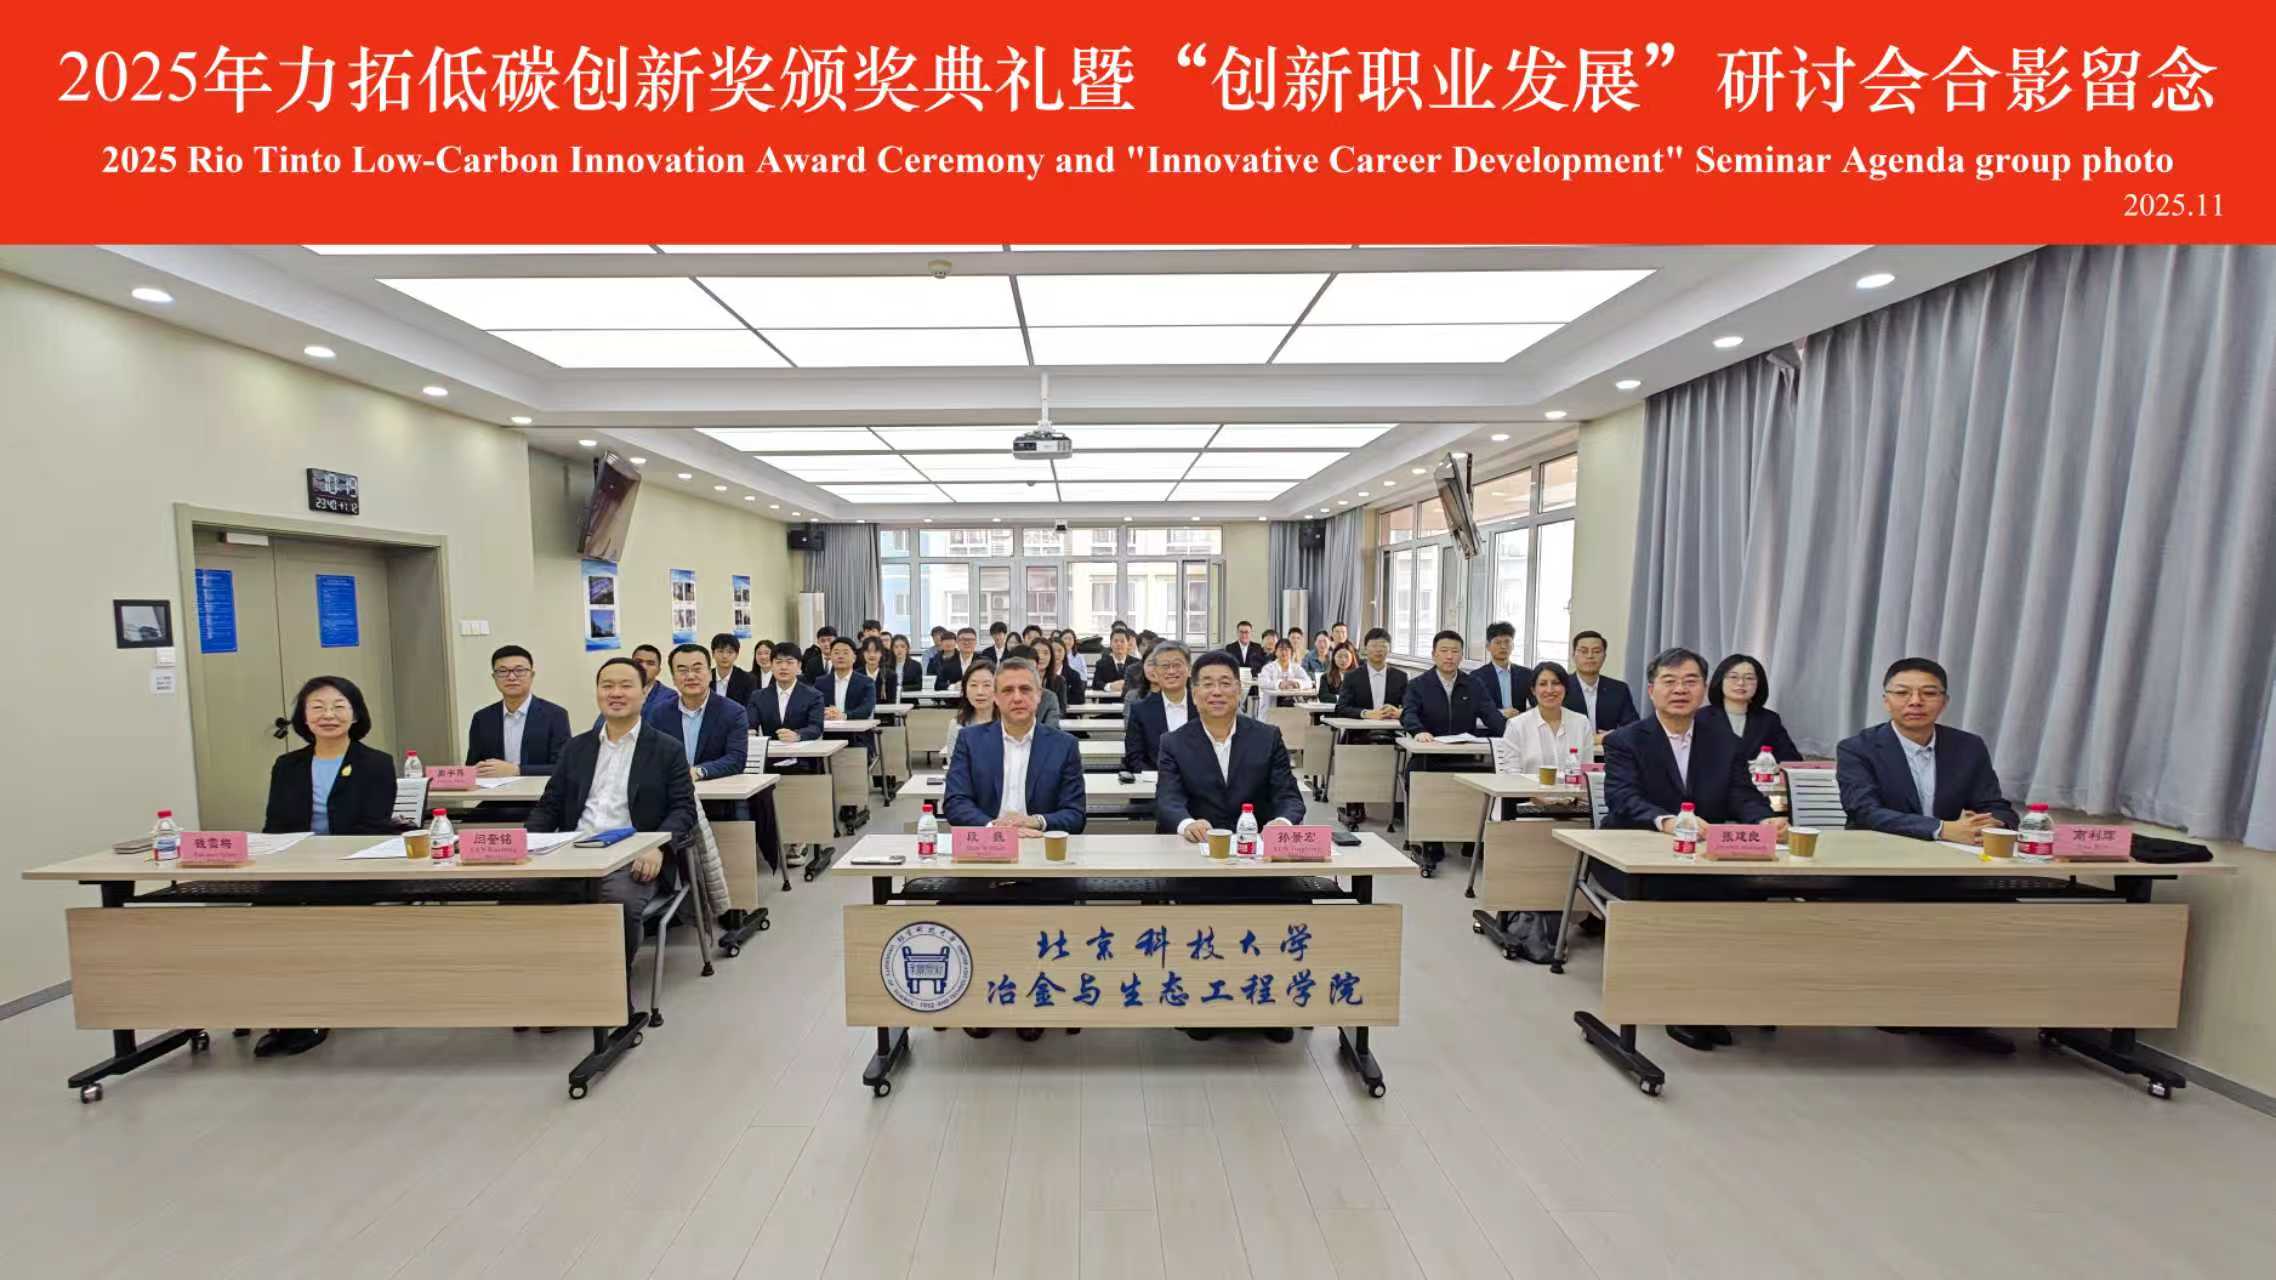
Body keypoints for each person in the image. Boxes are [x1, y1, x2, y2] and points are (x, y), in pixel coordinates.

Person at [1602, 646, 1782, 1052]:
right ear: (1652, 690)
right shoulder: (1626, 740)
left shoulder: (1723, 740)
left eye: (1690, 681)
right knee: (1681, 899)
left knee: (1753, 896)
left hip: (1707, 856)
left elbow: (1742, 795)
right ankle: (1683, 1005)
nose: (1680, 690)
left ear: (1704, 689)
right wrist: (1667, 821)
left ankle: (1721, 996)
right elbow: (1622, 799)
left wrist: (1762, 820)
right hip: (1636, 855)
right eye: (1669, 681)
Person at [528, 656, 698, 989]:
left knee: (618, 902)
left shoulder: (667, 749)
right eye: (607, 686)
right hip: (574, 851)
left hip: (632, 857)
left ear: (645, 692)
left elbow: (683, 809)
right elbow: (550, 805)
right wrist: (526, 843)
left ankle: (608, 990)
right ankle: (544, 986)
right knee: (521, 896)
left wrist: (657, 846)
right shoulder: (576, 748)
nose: (615, 693)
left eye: (625, 686)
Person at [257, 675, 400, 1058]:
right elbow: (275, 827)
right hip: (295, 871)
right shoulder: (287, 765)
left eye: (339, 706)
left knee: (317, 920)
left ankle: (314, 1013)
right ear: (303, 718)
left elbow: (372, 828)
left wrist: (322, 857)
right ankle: (283, 1013)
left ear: (356, 714)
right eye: (317, 707)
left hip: (353, 871)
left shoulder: (376, 763)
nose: (328, 715)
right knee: (267, 917)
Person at [1836, 657, 2017, 843]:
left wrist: (1993, 825)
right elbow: (1864, 811)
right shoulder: (1857, 748)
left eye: (1929, 693)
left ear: (1944, 702)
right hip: (1878, 850)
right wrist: (1941, 829)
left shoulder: (1968, 746)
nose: (1915, 701)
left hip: (1948, 853)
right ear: (1886, 701)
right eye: (1902, 692)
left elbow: (1994, 806)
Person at [1156, 651, 1305, 839]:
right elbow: (1168, 799)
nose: (1217, 692)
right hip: (1197, 846)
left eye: (1225, 683)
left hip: (1257, 846)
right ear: (1194, 694)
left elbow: (1289, 796)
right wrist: (1188, 824)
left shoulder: (1268, 737)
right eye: (1207, 684)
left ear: (1239, 690)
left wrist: (1282, 822)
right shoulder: (1173, 743)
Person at [942, 658, 1087, 834]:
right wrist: (995, 829)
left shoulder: (1064, 745)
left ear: (1039, 695)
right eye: (1008, 690)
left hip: (1039, 841)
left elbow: (1075, 814)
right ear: (995, 697)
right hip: (987, 842)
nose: (1017, 698)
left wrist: (1036, 822)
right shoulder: (970, 740)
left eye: (1025, 689)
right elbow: (955, 802)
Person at [645, 643, 750, 781]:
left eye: (697, 669)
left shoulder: (733, 712)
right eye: (682, 670)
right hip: (672, 790)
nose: (690, 676)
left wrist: (699, 772)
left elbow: (736, 759)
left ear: (710, 674)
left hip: (717, 790)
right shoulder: (660, 713)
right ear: (673, 678)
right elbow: (650, 756)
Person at [466, 644, 572, 777]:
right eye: (502, 671)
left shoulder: (555, 715)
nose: (511, 677)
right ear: (494, 677)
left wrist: (517, 770)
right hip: (494, 790)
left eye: (519, 670)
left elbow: (563, 767)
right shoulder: (482, 718)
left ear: (531, 675)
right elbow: (472, 767)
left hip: (539, 790)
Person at [1495, 661, 1594, 775]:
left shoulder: (1581, 723)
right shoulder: (1516, 726)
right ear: (1533, 690)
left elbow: (1587, 773)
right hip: (1526, 787)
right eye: (1543, 684)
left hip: (1571, 787)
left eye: (1556, 683)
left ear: (1565, 688)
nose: (1550, 690)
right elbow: (1511, 774)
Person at [1705, 653, 1801, 764]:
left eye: (1749, 678)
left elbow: (1792, 761)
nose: (1741, 683)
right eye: (1733, 677)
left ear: (1759, 684)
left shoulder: (1769, 720)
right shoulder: (1701, 718)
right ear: (1720, 680)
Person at [1402, 630, 1497, 741]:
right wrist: (1418, 731)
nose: (1449, 656)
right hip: (1429, 747)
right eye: (1444, 651)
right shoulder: (1417, 685)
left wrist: (1509, 734)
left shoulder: (1474, 684)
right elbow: (1408, 714)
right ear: (1433, 655)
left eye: (1455, 651)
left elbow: (1491, 715)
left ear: (1461, 656)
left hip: (1465, 748)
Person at [1123, 640, 1196, 773]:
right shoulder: (1140, 710)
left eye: (1177, 665)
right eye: (1165, 666)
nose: (1171, 671)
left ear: (1189, 669)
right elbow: (1134, 757)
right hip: (1156, 782)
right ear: (1156, 672)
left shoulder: (1204, 705)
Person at [1565, 631, 1639, 735]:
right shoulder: (1562, 687)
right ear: (1573, 656)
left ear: (1604, 656)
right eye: (1584, 651)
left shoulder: (1619, 689)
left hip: (1607, 745)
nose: (1590, 656)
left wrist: (1614, 735)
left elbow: (1633, 727)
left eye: (1596, 651)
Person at [748, 645, 824, 742]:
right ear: (771, 665)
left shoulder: (814, 696)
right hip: (771, 750)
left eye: (789, 662)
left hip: (801, 749)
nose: (783, 667)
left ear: (799, 665)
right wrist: (749, 732)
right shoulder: (758, 696)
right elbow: (750, 725)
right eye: (778, 662)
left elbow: (816, 727)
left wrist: (798, 735)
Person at [1469, 621, 1535, 724]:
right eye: (1498, 642)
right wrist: (1500, 713)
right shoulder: (1477, 677)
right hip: (1489, 729)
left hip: (1519, 727)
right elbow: (1474, 711)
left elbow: (1537, 705)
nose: (1503, 646)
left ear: (1513, 645)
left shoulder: (1526, 674)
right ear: (1488, 646)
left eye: (1507, 642)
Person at [943, 661, 996, 766]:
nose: (980, 692)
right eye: (973, 685)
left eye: (987, 685)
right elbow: (955, 767)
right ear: (965, 690)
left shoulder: (1009, 723)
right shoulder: (957, 725)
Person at [815, 636, 877, 723]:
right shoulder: (820, 683)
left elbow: (866, 709)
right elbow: (815, 707)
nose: (840, 656)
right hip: (829, 729)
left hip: (857, 729)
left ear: (854, 658)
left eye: (845, 653)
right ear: (830, 657)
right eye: (836, 653)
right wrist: (826, 713)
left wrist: (844, 716)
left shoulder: (866, 682)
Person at [630, 644, 677, 719]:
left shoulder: (670, 697)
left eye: (650, 663)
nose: (643, 667)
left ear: (658, 671)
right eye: (638, 662)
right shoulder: (619, 693)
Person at [710, 633, 756, 707]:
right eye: (720, 651)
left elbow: (748, 708)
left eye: (730, 652)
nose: (725, 656)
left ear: (736, 655)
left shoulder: (748, 680)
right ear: (713, 653)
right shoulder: (705, 677)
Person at [1090, 628, 1139, 696]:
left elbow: (1141, 684)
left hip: (1130, 700)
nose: (1119, 644)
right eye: (1115, 641)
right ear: (1110, 644)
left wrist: (1126, 686)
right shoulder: (1101, 663)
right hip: (1108, 701)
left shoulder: (1136, 663)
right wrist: (1110, 686)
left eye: (1122, 641)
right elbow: (1095, 684)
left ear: (1128, 644)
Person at [934, 626, 978, 691]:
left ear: (976, 642)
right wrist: (953, 686)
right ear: (957, 642)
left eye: (970, 640)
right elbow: (938, 685)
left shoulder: (984, 662)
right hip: (956, 697)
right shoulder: (947, 662)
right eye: (963, 639)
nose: (967, 642)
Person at [861, 636, 898, 706]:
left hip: (884, 712)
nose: (872, 655)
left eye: (875, 651)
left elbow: (891, 704)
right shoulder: (856, 674)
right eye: (868, 651)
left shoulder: (890, 675)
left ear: (881, 653)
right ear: (863, 653)